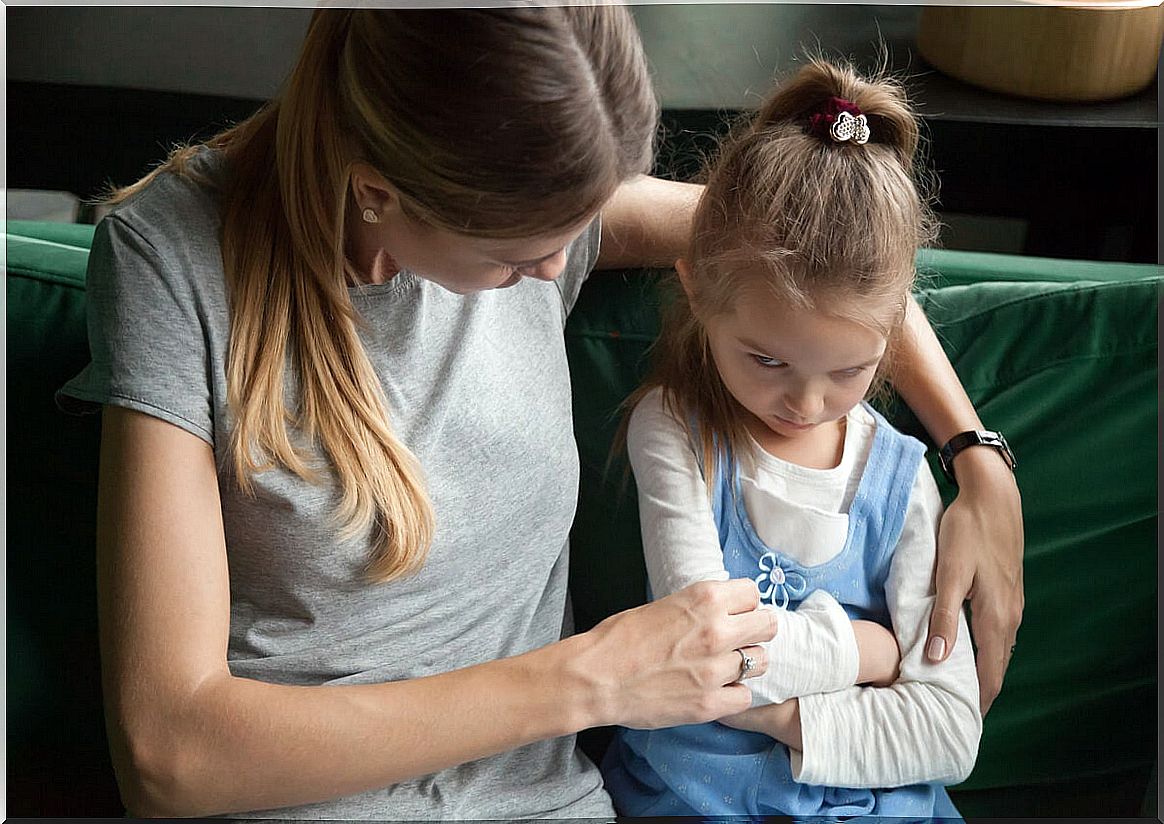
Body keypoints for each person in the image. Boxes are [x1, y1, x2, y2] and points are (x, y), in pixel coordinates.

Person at [55, 8, 1020, 820]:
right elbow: (169, 754)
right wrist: (590, 681)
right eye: (518, 259)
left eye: (582, 226)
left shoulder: (540, 194)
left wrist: (976, 455)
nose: (558, 272)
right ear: (379, 193)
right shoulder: (173, 264)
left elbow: (832, 262)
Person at [600, 58, 985, 819]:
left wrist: (773, 714)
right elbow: (701, 653)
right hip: (695, 798)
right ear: (696, 289)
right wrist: (864, 654)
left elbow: (949, 730)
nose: (806, 403)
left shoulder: (904, 478)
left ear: (894, 332)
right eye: (767, 359)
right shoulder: (676, 431)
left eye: (850, 369)